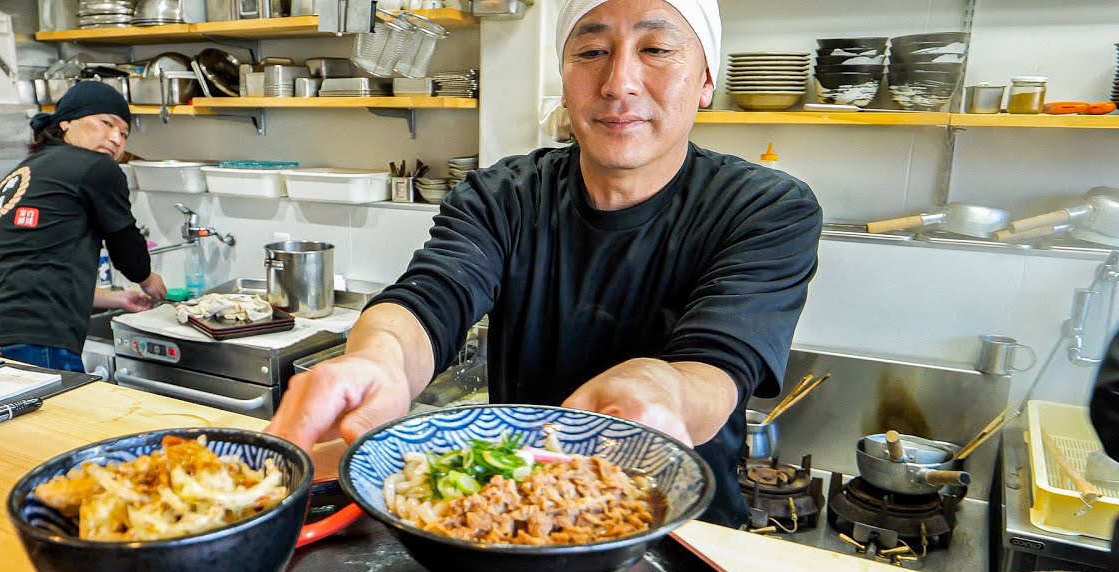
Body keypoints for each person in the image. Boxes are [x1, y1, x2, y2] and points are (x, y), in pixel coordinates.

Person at [268, 0, 822, 526]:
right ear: (565, 78)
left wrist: (662, 389)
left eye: (656, 50)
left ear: (705, 81)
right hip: (517, 514)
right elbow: (432, 296)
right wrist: (380, 359)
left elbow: (718, 366)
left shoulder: (766, 208)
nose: (618, 82)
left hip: (679, 529)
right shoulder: (503, 196)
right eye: (591, 52)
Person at [0, 82, 166, 373]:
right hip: (39, 340)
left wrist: (115, 298)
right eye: (106, 123)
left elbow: (34, 267)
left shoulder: (31, 168)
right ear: (66, 122)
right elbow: (126, 246)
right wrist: (147, 279)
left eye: (124, 134)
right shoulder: (95, 167)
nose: (116, 138)